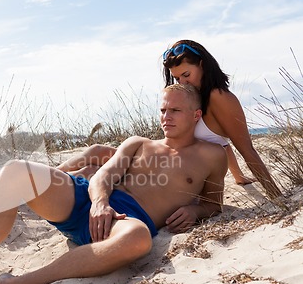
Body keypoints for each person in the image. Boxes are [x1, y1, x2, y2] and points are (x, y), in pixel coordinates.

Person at [0, 84, 227, 284]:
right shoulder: (139, 143)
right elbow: (104, 175)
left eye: (175, 111)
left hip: (127, 221)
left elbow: (213, 203)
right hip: (90, 201)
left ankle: (17, 283)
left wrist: (196, 212)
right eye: (162, 110)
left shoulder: (212, 156)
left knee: (139, 239)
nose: (165, 117)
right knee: (15, 170)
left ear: (195, 115)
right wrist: (99, 202)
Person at [59, 40, 282, 199]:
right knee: (96, 152)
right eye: (177, 78)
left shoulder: (219, 97)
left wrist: (275, 194)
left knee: (91, 169)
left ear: (202, 65)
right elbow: (222, 142)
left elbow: (244, 146)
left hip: (178, 173)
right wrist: (238, 175)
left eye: (186, 75)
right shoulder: (196, 97)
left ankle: (40, 187)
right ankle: (38, 183)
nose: (182, 82)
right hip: (166, 160)